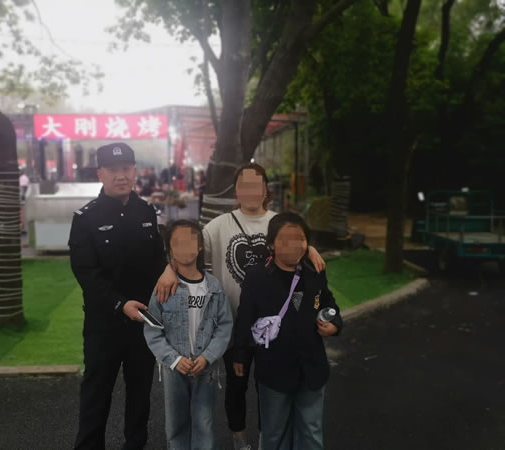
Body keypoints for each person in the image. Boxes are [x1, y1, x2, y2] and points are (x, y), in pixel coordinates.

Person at [155, 163, 326, 450]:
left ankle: (265, 439)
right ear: (235, 191)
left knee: (271, 388)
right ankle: (239, 439)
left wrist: (309, 248)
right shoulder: (219, 226)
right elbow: (188, 246)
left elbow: (297, 239)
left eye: (256, 185)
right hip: (235, 326)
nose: (250, 191)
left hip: (276, 329)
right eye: (243, 185)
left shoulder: (278, 221)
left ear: (265, 189)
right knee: (237, 386)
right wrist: (169, 268)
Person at [68, 142, 167, 450]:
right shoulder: (86, 218)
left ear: (134, 170)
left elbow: (157, 259)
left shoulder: (146, 211)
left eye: (126, 168)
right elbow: (86, 273)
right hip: (104, 323)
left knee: (140, 394)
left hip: (143, 322)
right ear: (100, 173)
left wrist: (168, 270)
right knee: (96, 394)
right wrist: (120, 304)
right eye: (113, 170)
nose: (121, 175)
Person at [234, 212, 342, 450]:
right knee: (274, 434)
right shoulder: (257, 276)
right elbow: (245, 317)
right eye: (285, 239)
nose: (294, 245)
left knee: (311, 433)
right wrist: (240, 354)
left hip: (312, 369)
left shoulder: (314, 270)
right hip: (274, 371)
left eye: (300, 239)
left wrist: (335, 323)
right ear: (271, 244)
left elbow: (328, 303)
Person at [144, 220, 233, 449]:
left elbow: (224, 326)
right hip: (174, 368)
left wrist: (208, 357)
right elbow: (152, 329)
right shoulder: (163, 288)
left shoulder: (213, 287)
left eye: (190, 242)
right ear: (170, 249)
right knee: (176, 424)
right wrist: (173, 359)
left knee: (204, 421)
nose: (184, 248)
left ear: (200, 246)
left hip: (206, 368)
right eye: (178, 243)